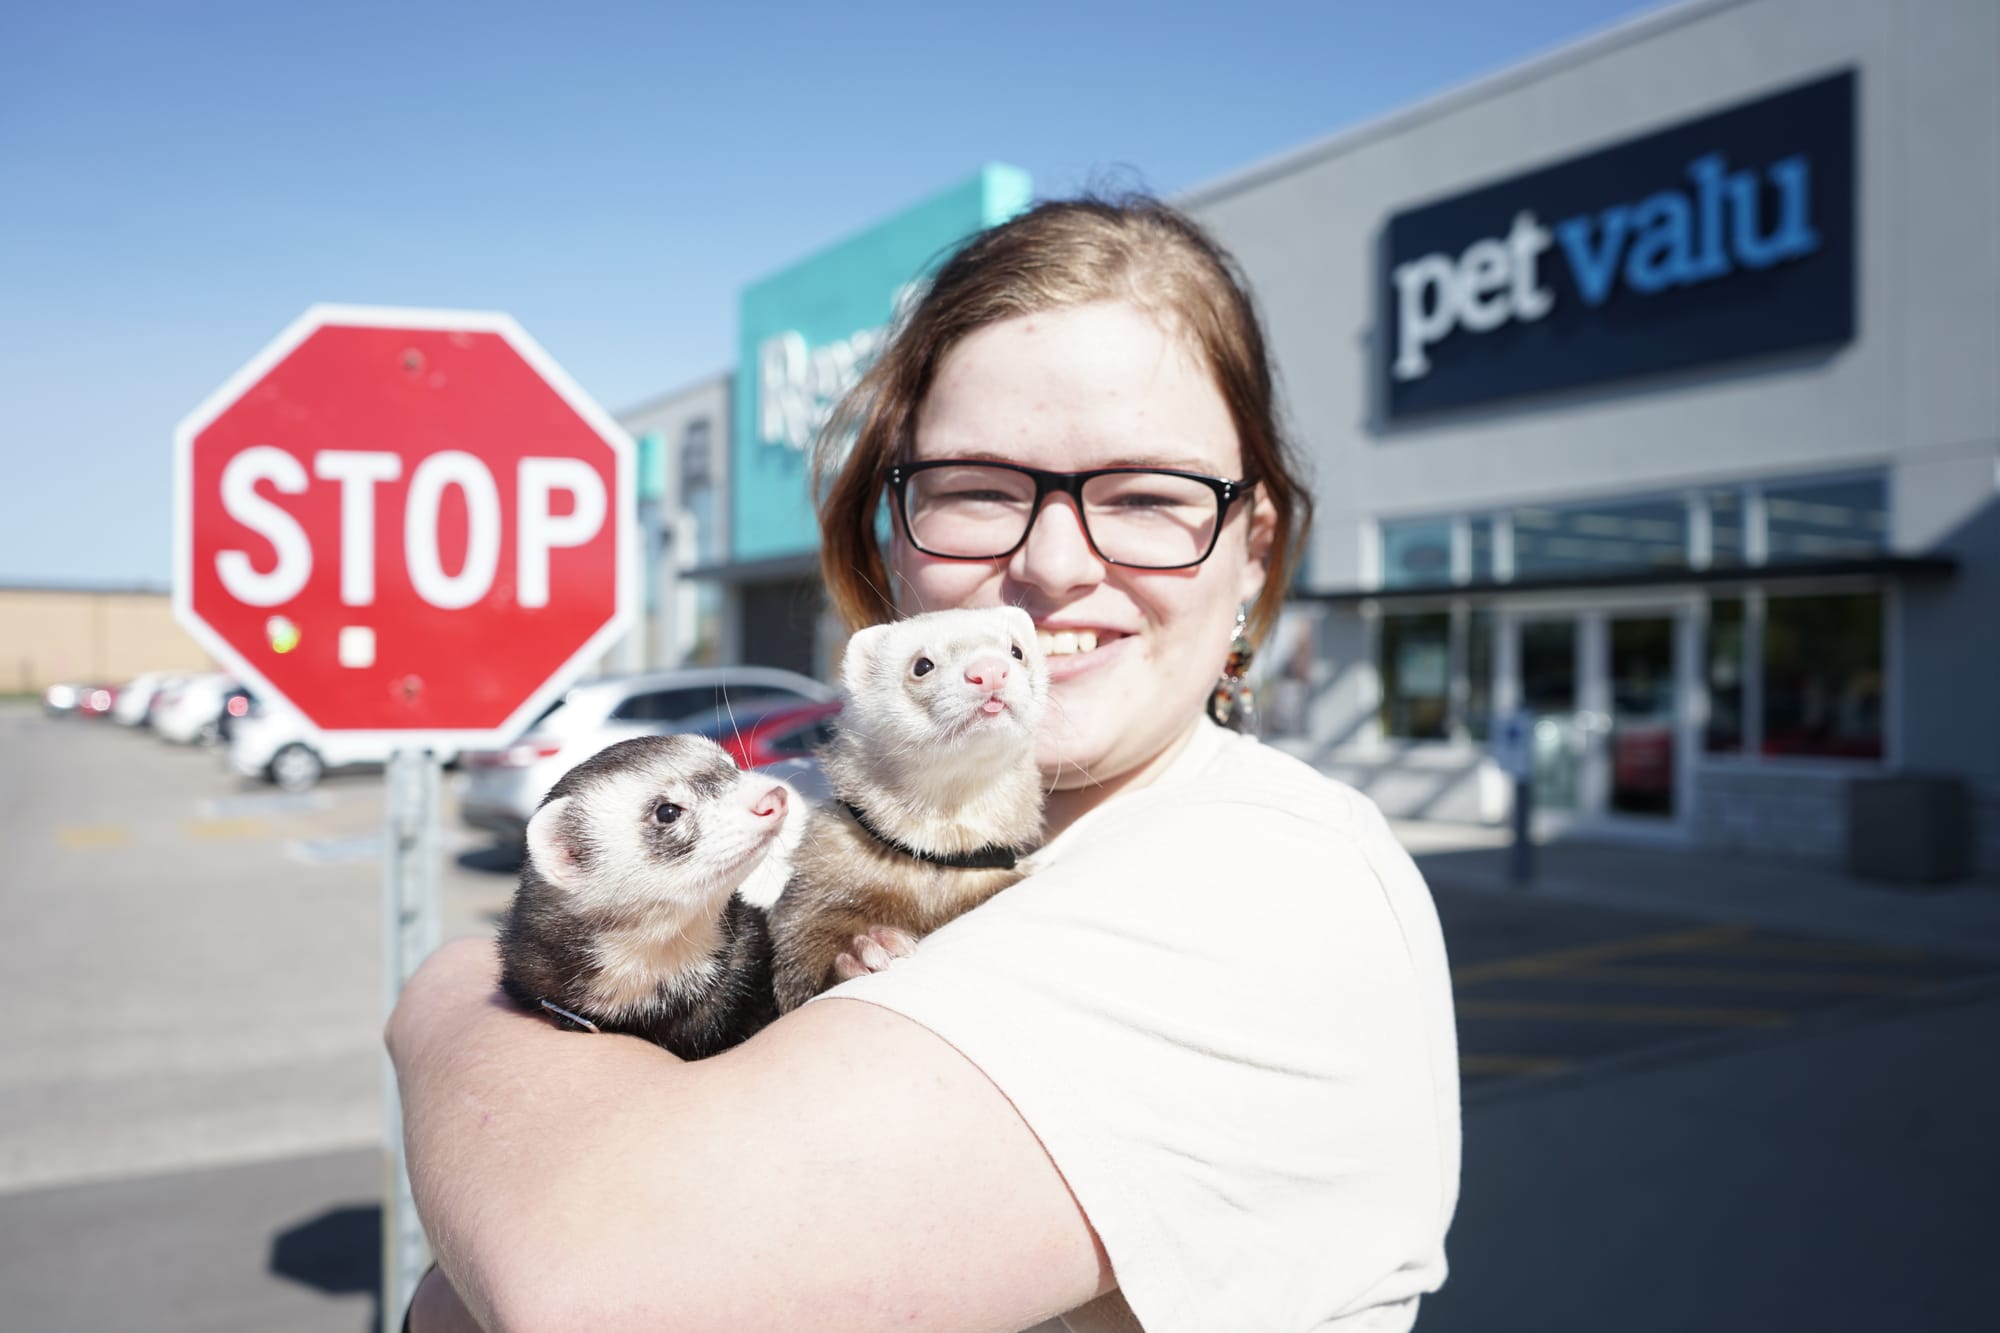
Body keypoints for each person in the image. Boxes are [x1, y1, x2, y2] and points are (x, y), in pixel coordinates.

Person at [388, 195, 1460, 1332]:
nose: (1051, 564)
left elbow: (595, 1286)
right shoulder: (797, 824)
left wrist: (451, 996)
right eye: (976, 490)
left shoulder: (1278, 881)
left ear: (1251, 553)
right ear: (889, 537)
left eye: (1148, 496)